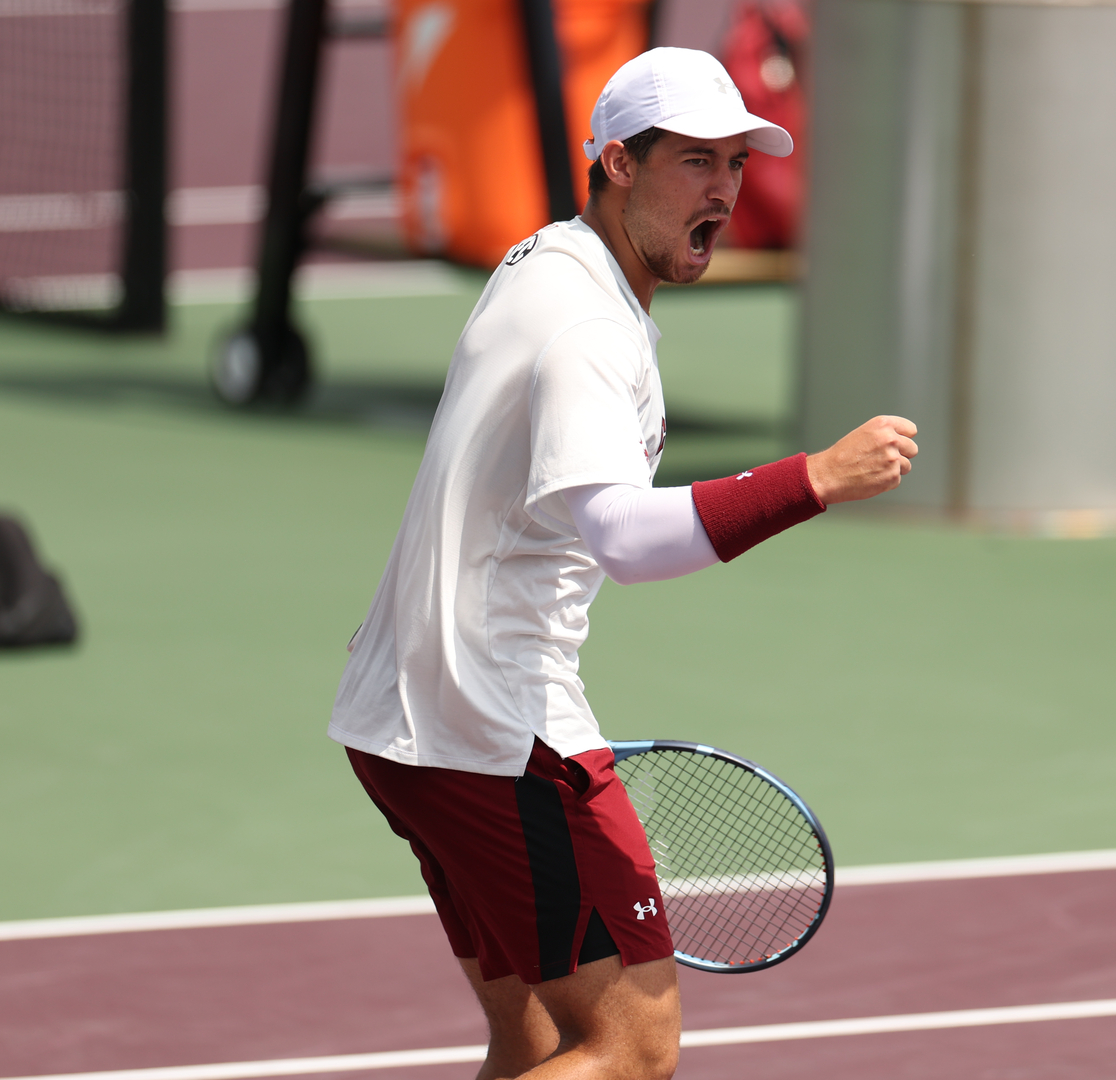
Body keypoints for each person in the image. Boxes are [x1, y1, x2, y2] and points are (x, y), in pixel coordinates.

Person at [329, 47, 919, 1080]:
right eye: (695, 162)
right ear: (615, 164)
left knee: (539, 1040)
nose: (725, 191)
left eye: (735, 164)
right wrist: (813, 478)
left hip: (398, 718)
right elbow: (626, 540)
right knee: (632, 1051)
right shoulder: (588, 331)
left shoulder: (544, 262)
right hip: (496, 726)